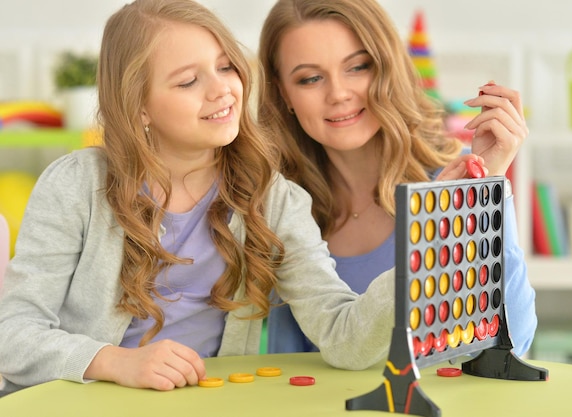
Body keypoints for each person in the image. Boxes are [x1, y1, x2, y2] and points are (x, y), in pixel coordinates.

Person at [0, 0, 397, 397]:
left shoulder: (273, 199)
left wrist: (413, 274)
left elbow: (343, 336)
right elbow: (12, 334)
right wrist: (115, 362)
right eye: (188, 81)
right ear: (138, 106)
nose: (222, 88)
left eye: (226, 67)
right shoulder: (77, 185)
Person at [257, 0, 537, 355]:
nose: (339, 94)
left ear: (388, 68)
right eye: (310, 78)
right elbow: (286, 360)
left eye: (357, 67)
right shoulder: (281, 205)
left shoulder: (455, 180)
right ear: (284, 94)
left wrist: (485, 194)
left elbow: (511, 346)